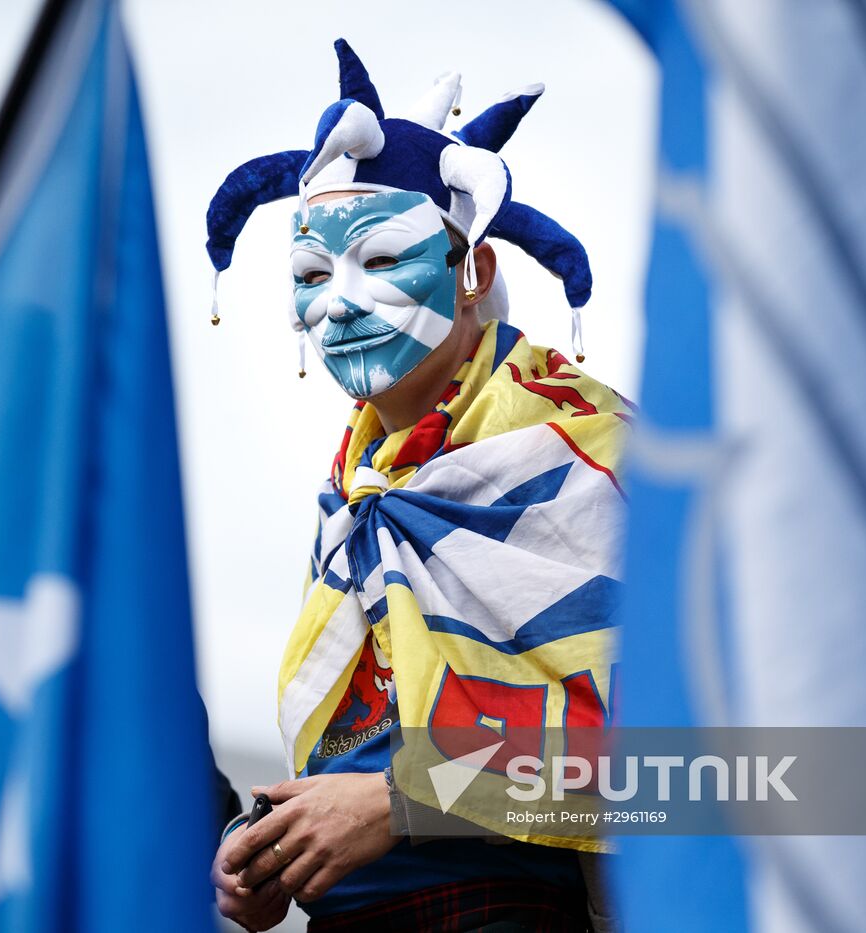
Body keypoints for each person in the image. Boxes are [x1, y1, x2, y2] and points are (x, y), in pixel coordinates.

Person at [203, 40, 630, 932]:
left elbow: (701, 760)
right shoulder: (351, 502)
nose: (341, 305)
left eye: (383, 260)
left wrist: (401, 803)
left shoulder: (594, 454)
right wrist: (267, 855)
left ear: (474, 270)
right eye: (312, 276)